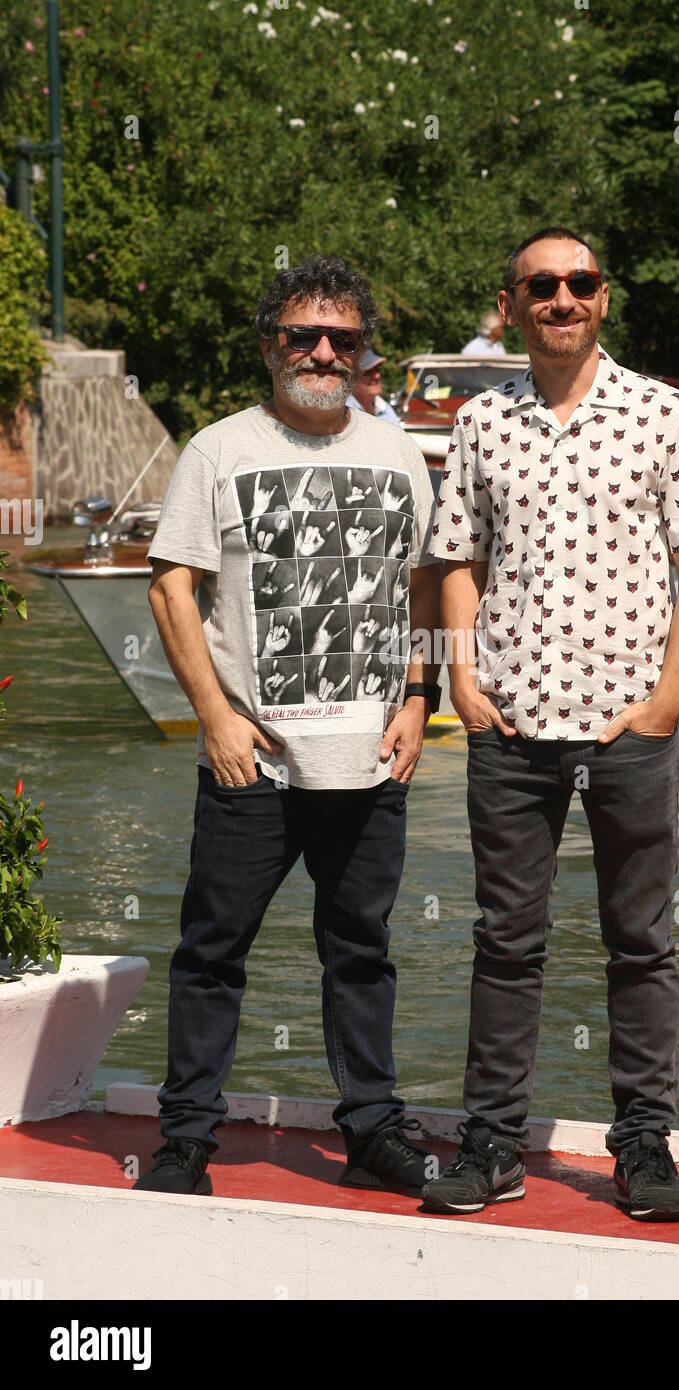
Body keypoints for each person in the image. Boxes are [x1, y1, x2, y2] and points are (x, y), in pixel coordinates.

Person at [424, 226, 679, 1221]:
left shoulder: (661, 413)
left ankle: (641, 1146)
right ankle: (492, 1143)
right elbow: (454, 560)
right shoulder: (478, 422)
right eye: (540, 285)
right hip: (508, 727)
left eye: (578, 282)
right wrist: (461, 684)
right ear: (511, 305)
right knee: (504, 939)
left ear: (602, 298)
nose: (561, 297)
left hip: (625, 725)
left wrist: (665, 703)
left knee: (638, 939)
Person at [135, 254, 442, 1198]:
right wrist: (215, 716)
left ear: (362, 353)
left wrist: (421, 697)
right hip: (252, 762)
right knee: (211, 952)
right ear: (269, 344)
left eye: (341, 338)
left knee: (361, 953)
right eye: (302, 335)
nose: (321, 351)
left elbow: (426, 582)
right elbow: (170, 587)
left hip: (370, 757)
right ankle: (186, 1140)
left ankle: (373, 1133)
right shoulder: (219, 450)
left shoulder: (398, 453)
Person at [347, 347, 402, 424]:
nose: (377, 376)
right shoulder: (344, 412)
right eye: (368, 372)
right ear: (351, 379)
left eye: (377, 369)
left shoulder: (384, 408)